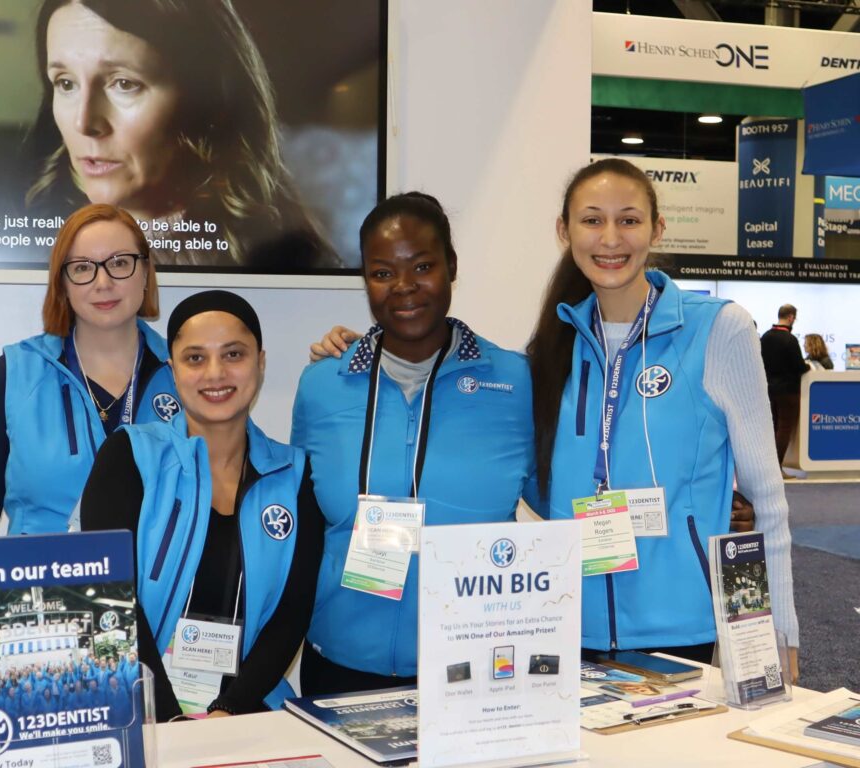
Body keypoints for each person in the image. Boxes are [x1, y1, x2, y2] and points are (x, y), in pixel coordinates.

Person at [526, 158, 798, 676]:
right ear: (565, 231)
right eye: (592, 220)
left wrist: (777, 629)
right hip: (564, 624)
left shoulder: (718, 330)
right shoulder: (551, 348)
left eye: (628, 220)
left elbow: (768, 499)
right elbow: (533, 479)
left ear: (657, 227)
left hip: (682, 626)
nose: (610, 238)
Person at [291, 192, 536, 695]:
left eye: (422, 265)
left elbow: (565, 495)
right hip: (340, 665)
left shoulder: (513, 382)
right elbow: (305, 517)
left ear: (451, 266)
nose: (403, 287)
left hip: (475, 669)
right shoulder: (322, 385)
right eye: (382, 273)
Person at [81, 290, 322, 719]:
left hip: (248, 707)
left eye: (233, 354)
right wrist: (173, 719)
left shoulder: (292, 473)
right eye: (195, 358)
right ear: (173, 372)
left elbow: (292, 613)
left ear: (260, 363)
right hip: (141, 708)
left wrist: (228, 711)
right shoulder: (129, 457)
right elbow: (111, 602)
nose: (216, 373)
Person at [26, 0, 338, 270]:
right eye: (65, 83)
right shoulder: (34, 249)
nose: (83, 122)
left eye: (124, 83)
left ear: (211, 101)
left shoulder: (285, 259)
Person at [0, 203, 180, 537]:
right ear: (63, 282)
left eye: (119, 263)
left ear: (145, 272)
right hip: (42, 584)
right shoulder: (14, 375)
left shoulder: (184, 373)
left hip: (154, 588)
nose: (103, 282)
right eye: (83, 268)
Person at [760, 304, 809, 469]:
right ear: (791, 317)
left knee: (773, 427)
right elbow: (799, 366)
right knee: (785, 428)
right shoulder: (790, 339)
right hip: (788, 391)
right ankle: (777, 467)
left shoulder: (765, 337)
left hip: (769, 389)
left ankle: (768, 467)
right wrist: (807, 367)